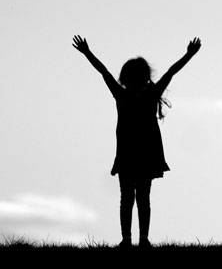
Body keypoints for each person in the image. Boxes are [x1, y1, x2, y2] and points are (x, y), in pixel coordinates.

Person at [72, 35, 201, 248]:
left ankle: (131, 239)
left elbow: (104, 72)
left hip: (130, 154)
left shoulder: (122, 95)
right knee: (141, 197)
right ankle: (138, 239)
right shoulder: (146, 94)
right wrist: (188, 55)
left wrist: (87, 53)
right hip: (141, 153)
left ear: (126, 77)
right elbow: (170, 72)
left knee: (129, 197)